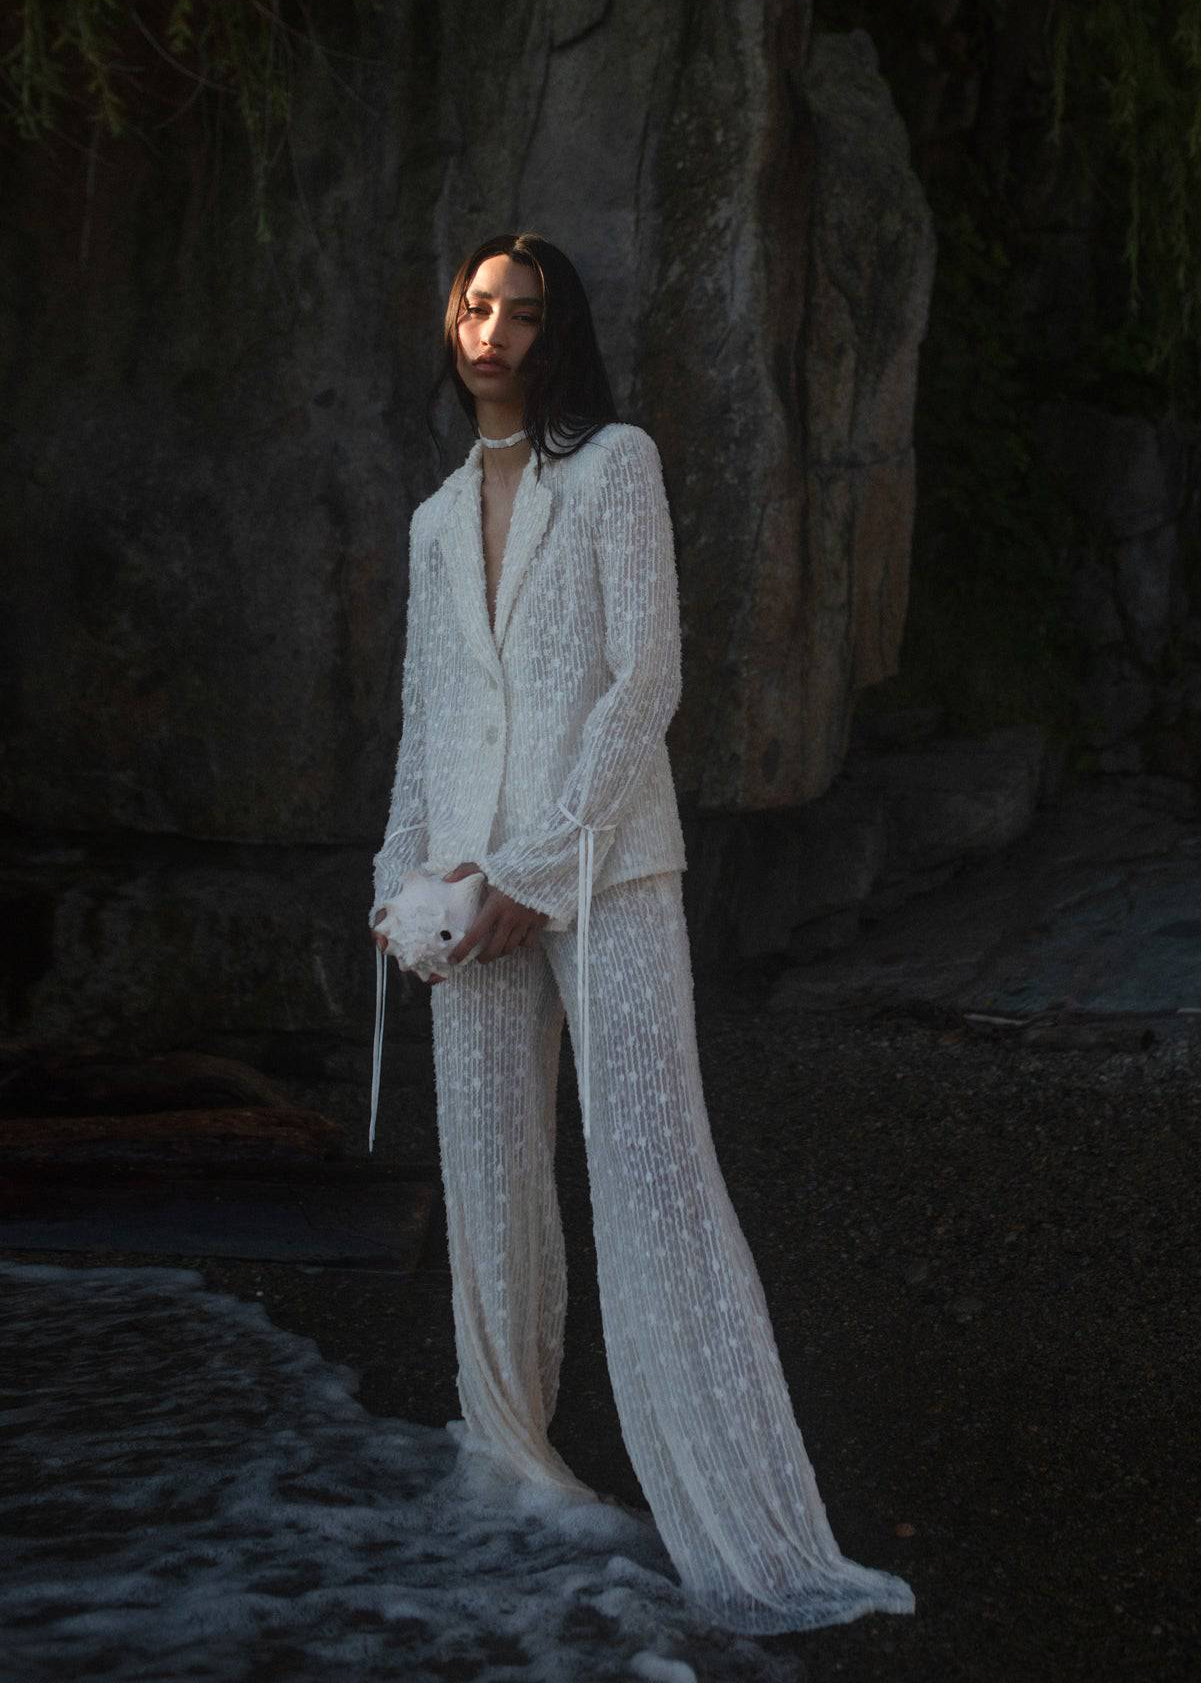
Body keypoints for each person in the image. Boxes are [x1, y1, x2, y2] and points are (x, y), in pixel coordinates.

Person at [367, 231, 916, 1636]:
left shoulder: (616, 467)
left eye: (523, 313)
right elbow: (427, 721)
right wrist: (398, 884)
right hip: (461, 889)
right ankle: (511, 1471)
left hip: (604, 869)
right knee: (489, 1187)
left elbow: (646, 682)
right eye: (477, 307)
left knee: (654, 1170)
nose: (494, 332)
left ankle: (747, 1531)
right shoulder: (433, 520)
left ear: (559, 334)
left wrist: (537, 868)